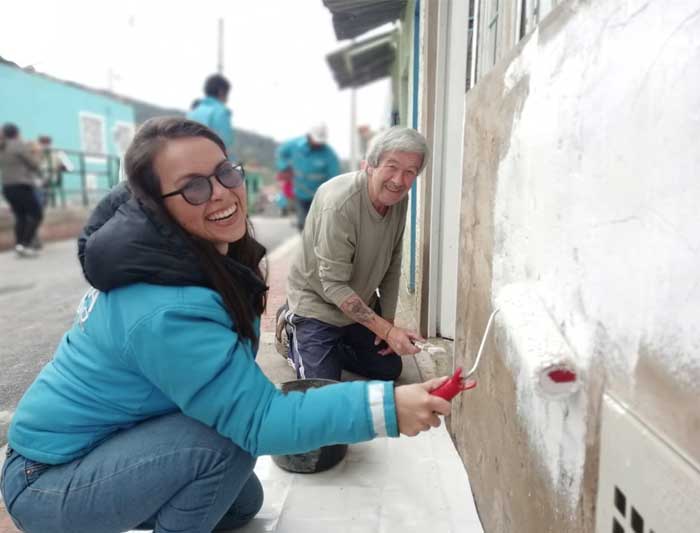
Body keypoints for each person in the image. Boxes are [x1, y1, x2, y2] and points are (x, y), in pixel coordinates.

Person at [0, 117, 451, 533]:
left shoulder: (208, 256)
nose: (220, 193)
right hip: (47, 475)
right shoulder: (165, 306)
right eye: (192, 187)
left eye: (224, 172)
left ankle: (132, 497)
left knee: (241, 502)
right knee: (229, 444)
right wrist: (388, 408)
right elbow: (259, 421)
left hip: (114, 437)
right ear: (156, 205)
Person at [276, 127, 429, 382]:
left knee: (388, 370)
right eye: (392, 166)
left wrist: (387, 324)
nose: (399, 180)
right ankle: (293, 333)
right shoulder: (340, 204)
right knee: (322, 389)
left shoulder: (399, 199)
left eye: (410, 172)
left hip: (357, 303)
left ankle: (334, 347)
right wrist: (387, 331)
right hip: (317, 304)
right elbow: (333, 285)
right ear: (369, 165)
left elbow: (393, 261)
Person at [275, 124, 340, 231]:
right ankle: (306, 241)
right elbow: (280, 154)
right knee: (304, 224)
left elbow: (334, 177)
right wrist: (284, 168)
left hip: (319, 196)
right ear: (309, 136)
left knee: (318, 225)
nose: (317, 144)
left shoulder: (329, 154)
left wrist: (331, 195)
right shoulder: (294, 145)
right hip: (300, 193)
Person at [0, 123, 43, 257]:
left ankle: (20, 246)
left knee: (21, 217)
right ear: (16, 133)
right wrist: (37, 153)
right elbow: (34, 165)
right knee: (36, 214)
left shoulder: (2, 146)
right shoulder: (18, 145)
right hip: (22, 186)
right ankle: (25, 244)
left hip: (8, 187)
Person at [187, 73, 235, 157]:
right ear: (221, 91)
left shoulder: (193, 111)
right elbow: (225, 145)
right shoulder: (221, 112)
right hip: (210, 162)